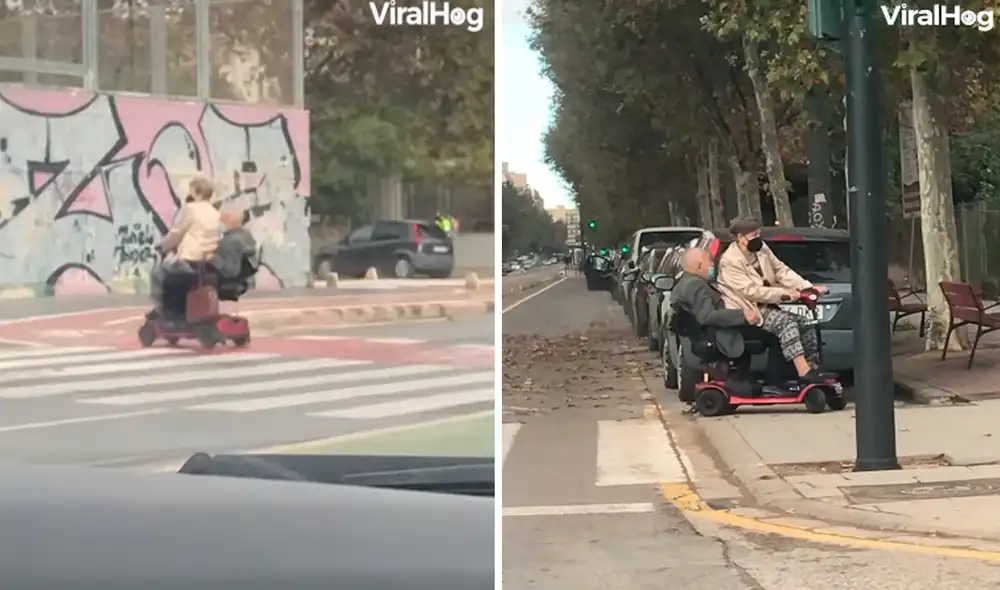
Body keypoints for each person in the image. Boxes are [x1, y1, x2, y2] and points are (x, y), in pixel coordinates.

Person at [717, 215, 830, 383]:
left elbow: (781, 271)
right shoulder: (730, 261)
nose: (758, 237)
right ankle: (803, 372)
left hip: (767, 307)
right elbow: (752, 292)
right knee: (785, 322)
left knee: (806, 323)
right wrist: (788, 294)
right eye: (753, 234)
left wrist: (807, 288)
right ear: (740, 238)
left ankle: (811, 366)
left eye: (758, 232)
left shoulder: (762, 249)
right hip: (748, 309)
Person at [149, 178, 222, 322]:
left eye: (191, 190)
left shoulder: (191, 209)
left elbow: (177, 232)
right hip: (206, 262)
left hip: (190, 259)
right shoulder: (215, 213)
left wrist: (163, 246)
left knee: (159, 273)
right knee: (178, 279)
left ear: (196, 192)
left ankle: (162, 311)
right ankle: (179, 312)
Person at [672, 248, 758, 360]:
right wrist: (742, 315)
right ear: (699, 266)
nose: (713, 265)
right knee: (772, 338)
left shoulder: (684, 283)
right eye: (710, 261)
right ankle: (773, 377)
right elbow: (707, 316)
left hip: (714, 335)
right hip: (719, 336)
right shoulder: (695, 285)